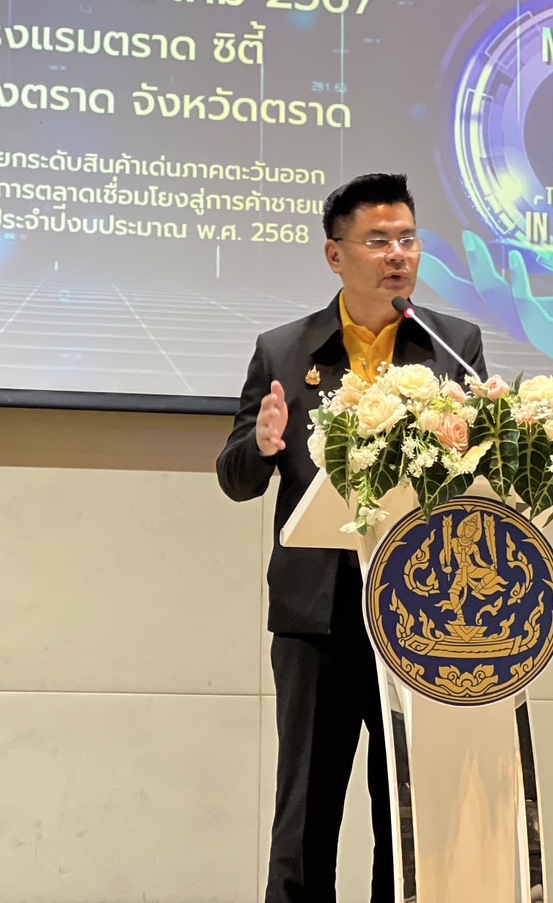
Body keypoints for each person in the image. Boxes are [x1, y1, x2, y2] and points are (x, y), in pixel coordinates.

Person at [216, 173, 487, 903]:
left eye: (407, 239)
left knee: (403, 811)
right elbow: (235, 478)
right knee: (305, 809)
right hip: (317, 614)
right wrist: (261, 446)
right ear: (335, 255)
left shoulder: (451, 345)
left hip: (420, 612)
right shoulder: (283, 350)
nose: (397, 254)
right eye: (378, 241)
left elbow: (478, 472)